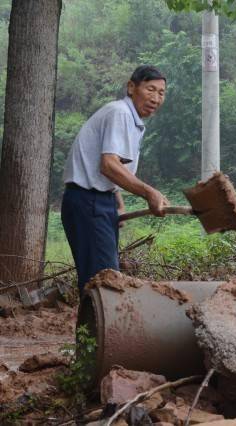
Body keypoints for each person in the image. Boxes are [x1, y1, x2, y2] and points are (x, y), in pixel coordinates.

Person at [61, 65, 169, 292]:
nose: (156, 98)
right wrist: (150, 193)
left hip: (99, 201)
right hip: (88, 201)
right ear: (131, 87)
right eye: (150, 89)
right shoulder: (120, 113)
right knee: (103, 283)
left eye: (161, 93)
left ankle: (92, 327)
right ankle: (96, 328)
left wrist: (118, 205)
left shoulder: (132, 120)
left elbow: (116, 167)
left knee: (99, 278)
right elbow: (109, 165)